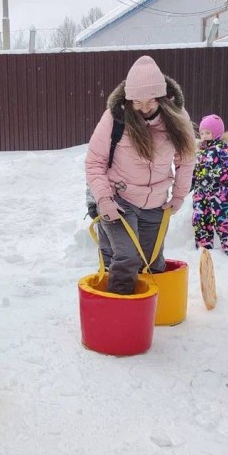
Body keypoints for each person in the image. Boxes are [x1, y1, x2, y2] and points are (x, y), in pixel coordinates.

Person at [85, 55, 196, 294]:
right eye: (137, 102)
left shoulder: (177, 117)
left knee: (152, 261)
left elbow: (186, 159)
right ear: (128, 98)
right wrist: (104, 199)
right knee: (126, 257)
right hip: (119, 199)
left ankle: (151, 313)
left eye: (151, 101)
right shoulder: (115, 119)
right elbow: (95, 162)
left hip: (156, 201)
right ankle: (117, 315)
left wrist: (178, 196)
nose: (144, 108)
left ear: (162, 98)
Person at [191, 114, 228, 255]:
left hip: (220, 194)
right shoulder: (200, 150)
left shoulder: (223, 147)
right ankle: (204, 248)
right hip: (201, 193)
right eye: (202, 133)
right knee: (200, 219)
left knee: (223, 220)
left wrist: (214, 176)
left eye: (208, 133)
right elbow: (196, 170)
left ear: (217, 132)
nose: (204, 136)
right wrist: (192, 183)